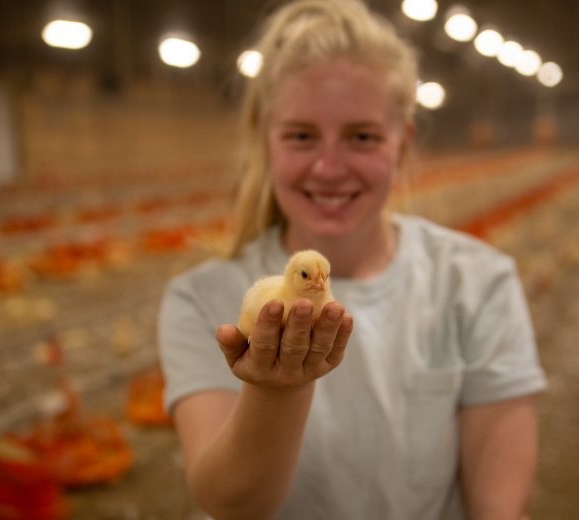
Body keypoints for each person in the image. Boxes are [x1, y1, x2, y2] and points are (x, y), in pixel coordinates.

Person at [158, 1, 547, 518]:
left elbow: (498, 507)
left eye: (362, 137)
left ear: (401, 145)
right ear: (266, 142)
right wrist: (277, 393)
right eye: (301, 136)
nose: (329, 166)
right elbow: (228, 503)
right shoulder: (202, 300)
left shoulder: (478, 283)